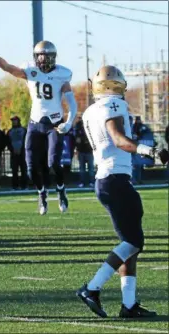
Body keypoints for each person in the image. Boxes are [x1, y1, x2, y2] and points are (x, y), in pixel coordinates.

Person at [77, 65, 169, 318]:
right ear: (115, 85)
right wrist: (148, 151)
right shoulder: (114, 105)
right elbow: (118, 139)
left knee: (130, 244)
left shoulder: (90, 111)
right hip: (115, 179)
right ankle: (92, 288)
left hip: (107, 179)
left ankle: (129, 305)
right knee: (133, 242)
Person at [0, 39, 77, 215]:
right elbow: (7, 67)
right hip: (35, 124)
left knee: (53, 162)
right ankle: (42, 193)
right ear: (35, 57)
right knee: (30, 167)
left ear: (53, 57)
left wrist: (69, 122)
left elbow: (71, 102)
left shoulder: (62, 74)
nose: (43, 60)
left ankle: (61, 190)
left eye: (46, 56)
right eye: (40, 56)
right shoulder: (30, 71)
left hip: (54, 124)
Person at [7, 116, 27, 190]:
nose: (14, 122)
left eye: (15, 120)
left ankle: (24, 186)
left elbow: (26, 141)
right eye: (13, 121)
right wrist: (12, 150)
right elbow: (8, 143)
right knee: (14, 171)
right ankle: (15, 186)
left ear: (18, 121)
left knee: (24, 170)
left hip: (23, 154)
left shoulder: (24, 130)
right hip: (13, 154)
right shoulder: (9, 132)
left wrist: (22, 150)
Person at [74, 117, 94, 187]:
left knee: (90, 167)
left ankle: (92, 181)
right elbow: (77, 139)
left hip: (89, 150)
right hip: (81, 150)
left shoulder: (90, 126)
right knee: (82, 168)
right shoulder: (78, 127)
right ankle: (82, 182)